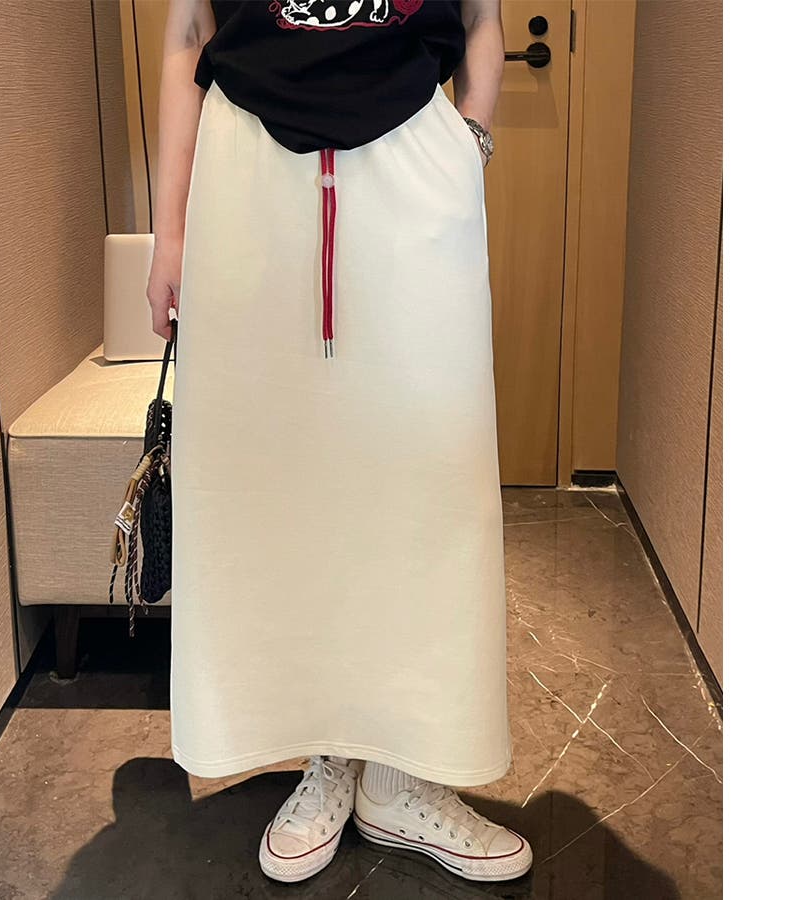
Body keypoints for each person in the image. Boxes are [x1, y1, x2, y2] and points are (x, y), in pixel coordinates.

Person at [148, 0, 532, 884]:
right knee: (285, 486)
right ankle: (326, 755)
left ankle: (402, 777)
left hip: (413, 162)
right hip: (247, 174)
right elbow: (186, 35)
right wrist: (169, 233)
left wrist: (467, 145)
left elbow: (483, 17)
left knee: (427, 478)